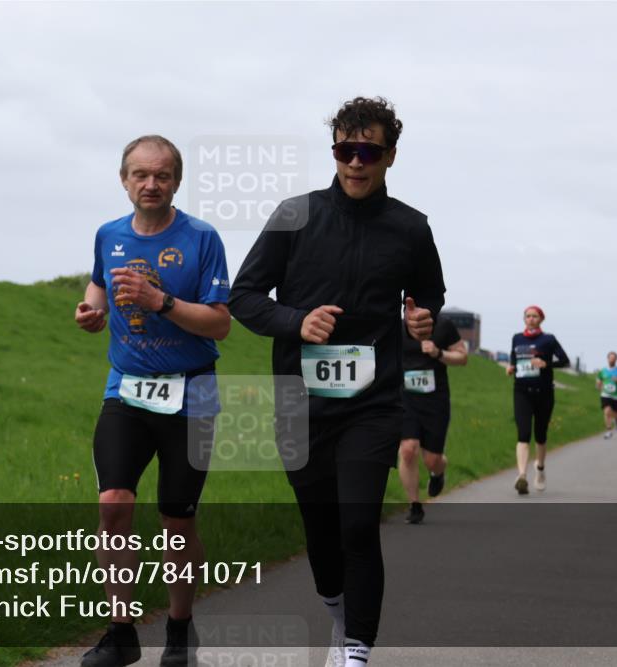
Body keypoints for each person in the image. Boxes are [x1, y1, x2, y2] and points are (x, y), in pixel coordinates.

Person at [229, 96, 445, 667]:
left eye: (367, 151)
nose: (355, 162)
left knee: (356, 520)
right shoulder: (293, 215)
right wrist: (296, 321)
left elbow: (429, 296)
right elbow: (244, 297)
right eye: (344, 149)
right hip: (300, 402)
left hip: (372, 402)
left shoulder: (411, 228)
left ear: (389, 156)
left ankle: (356, 648)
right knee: (320, 528)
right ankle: (337, 614)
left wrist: (422, 318)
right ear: (335, 152)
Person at [75, 135, 231, 667]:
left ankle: (180, 629)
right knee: (113, 503)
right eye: (140, 175)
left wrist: (159, 301)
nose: (150, 184)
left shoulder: (202, 238)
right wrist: (90, 312)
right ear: (123, 180)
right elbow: (98, 287)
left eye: (161, 175)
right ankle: (121, 633)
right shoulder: (108, 235)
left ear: (176, 182)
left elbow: (220, 323)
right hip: (127, 390)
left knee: (176, 519)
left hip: (192, 394)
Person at [399, 314, 467, 523]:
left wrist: (438, 353)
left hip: (435, 400)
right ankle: (415, 506)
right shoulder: (396, 327)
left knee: (432, 459)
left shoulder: (444, 325)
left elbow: (462, 357)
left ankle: (438, 472)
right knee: (408, 449)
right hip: (405, 398)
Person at [506, 306, 570, 494]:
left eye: (535, 316)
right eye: (528, 316)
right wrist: (511, 367)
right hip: (522, 392)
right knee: (523, 433)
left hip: (544, 392)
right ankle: (522, 476)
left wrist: (546, 364)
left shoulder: (548, 339)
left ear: (541, 319)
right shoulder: (517, 338)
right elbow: (514, 357)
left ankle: (540, 469)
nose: (531, 319)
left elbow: (565, 361)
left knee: (540, 435)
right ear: (524, 319)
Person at [596, 352, 617, 439]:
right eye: (610, 358)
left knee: (615, 413)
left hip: (616, 396)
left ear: (616, 359)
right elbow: (599, 380)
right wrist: (599, 385)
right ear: (608, 359)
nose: (612, 359)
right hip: (605, 394)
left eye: (614, 358)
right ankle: (609, 431)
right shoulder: (603, 371)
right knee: (607, 411)